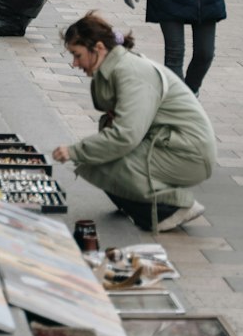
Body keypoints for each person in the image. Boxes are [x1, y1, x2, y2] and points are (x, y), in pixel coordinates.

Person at [51, 13, 216, 233]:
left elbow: (125, 135)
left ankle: (175, 206)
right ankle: (137, 203)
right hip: (170, 143)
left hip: (189, 153)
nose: (74, 63)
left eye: (77, 55)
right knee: (99, 157)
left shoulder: (131, 72)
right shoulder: (116, 67)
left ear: (98, 48)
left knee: (102, 161)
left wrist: (75, 151)